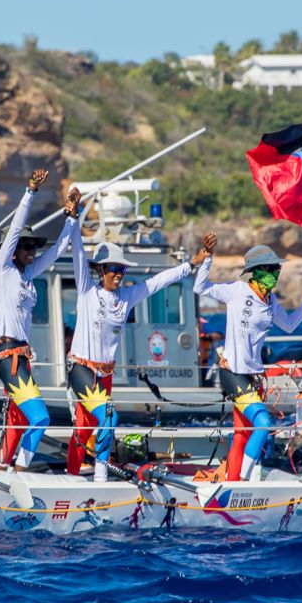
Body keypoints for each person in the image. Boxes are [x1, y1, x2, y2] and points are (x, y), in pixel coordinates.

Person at [67, 206, 213, 481]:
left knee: (86, 428)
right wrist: (73, 219)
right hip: (81, 368)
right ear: (101, 270)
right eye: (113, 268)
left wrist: (192, 264)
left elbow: (158, 281)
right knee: (108, 417)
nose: (118, 273)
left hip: (105, 373)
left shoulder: (127, 296)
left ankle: (73, 475)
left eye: (121, 268)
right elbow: (76, 252)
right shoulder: (87, 289)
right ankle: (99, 477)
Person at [194, 237, 302, 481]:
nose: (275, 273)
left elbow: (288, 325)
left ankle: (231, 481)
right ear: (254, 273)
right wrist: (207, 257)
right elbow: (199, 288)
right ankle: (244, 481)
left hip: (252, 375)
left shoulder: (271, 301)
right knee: (263, 423)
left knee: (242, 434)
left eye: (277, 269)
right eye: (270, 269)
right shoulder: (237, 291)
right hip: (231, 372)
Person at [0, 169, 79, 471]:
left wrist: (71, 219)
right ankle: (23, 469)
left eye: (33, 247)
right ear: (13, 250)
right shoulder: (3, 270)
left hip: (22, 356)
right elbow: (14, 229)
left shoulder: (27, 275)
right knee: (40, 417)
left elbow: (57, 252)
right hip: (7, 355)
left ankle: (3, 466)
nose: (32, 251)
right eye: (27, 247)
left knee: (17, 417)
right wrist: (30, 191)